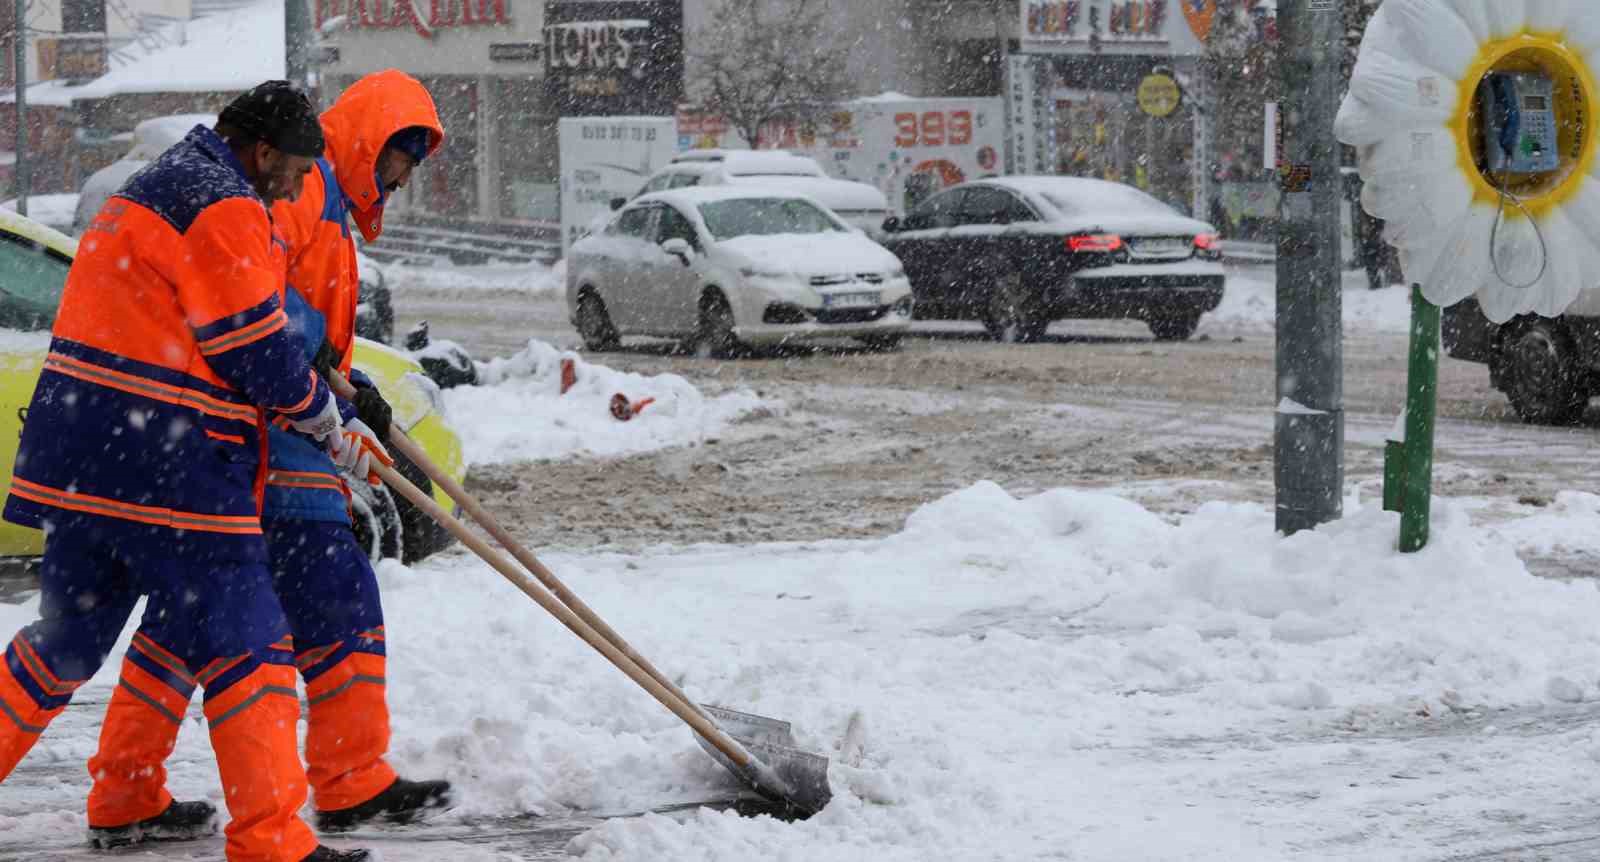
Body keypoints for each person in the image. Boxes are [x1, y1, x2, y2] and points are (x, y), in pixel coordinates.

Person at [0, 81, 373, 861]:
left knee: (65, 639)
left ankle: (127, 796)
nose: (301, 185)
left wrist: (313, 374)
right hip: (169, 458)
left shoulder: (154, 187)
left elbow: (198, 317)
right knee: (251, 641)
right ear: (263, 151)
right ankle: (273, 841)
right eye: (298, 168)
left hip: (85, 456)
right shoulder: (224, 202)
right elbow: (249, 345)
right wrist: (319, 415)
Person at [83, 69, 450, 845]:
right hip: (275, 424)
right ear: (374, 142)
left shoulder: (329, 199)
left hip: (269, 415)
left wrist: (353, 386)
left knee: (189, 619)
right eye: (402, 158)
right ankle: (344, 782)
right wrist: (327, 392)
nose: (404, 178)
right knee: (335, 594)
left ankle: (126, 785)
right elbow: (264, 298)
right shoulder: (307, 187)